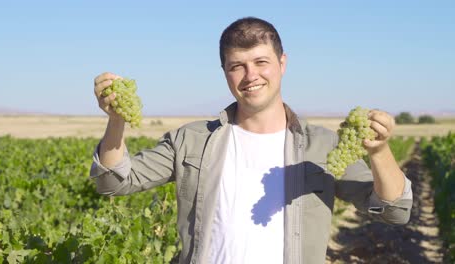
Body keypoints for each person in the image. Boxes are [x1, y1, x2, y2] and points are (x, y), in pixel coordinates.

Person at [90, 17, 413, 264]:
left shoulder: (322, 146)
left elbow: (394, 211)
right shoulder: (190, 140)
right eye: (237, 66)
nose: (250, 76)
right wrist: (117, 120)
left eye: (261, 62)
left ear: (282, 64)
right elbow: (113, 182)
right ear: (225, 72)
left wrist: (380, 151)